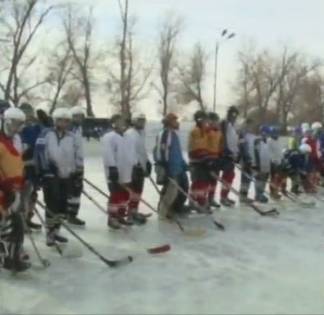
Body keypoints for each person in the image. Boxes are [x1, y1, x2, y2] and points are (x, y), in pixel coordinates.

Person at [35, 108, 76, 246]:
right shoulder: (46, 134)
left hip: (65, 175)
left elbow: (72, 155)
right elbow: (39, 152)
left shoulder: (71, 136)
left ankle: (57, 230)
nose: (64, 123)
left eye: (66, 121)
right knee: (52, 204)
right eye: (61, 120)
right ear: (55, 120)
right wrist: (45, 169)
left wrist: (74, 171)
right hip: (50, 175)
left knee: (62, 205)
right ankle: (50, 233)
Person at [0, 106, 31, 272]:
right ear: (5, 122)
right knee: (7, 225)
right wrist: (5, 187)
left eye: (19, 125)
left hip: (14, 190)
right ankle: (6, 257)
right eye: (13, 124)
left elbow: (16, 166)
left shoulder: (13, 141)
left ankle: (13, 257)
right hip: (3, 192)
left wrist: (23, 179)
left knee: (17, 225)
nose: (16, 128)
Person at [102, 114, 135, 229]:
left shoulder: (127, 137)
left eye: (123, 122)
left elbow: (130, 153)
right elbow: (108, 154)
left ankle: (121, 215)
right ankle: (112, 217)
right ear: (114, 123)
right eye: (119, 122)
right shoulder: (109, 137)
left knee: (125, 195)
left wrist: (134, 164)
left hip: (126, 171)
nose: (122, 124)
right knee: (115, 195)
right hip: (115, 171)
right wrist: (112, 167)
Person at [153, 113, 189, 219]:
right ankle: (162, 213)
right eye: (175, 120)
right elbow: (161, 152)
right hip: (170, 168)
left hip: (177, 168)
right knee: (170, 192)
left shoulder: (173, 134)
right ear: (169, 122)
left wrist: (184, 165)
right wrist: (165, 166)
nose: (177, 122)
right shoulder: (165, 134)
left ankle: (171, 209)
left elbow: (176, 153)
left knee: (177, 191)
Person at [124, 113, 152, 225]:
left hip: (140, 166)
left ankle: (134, 210)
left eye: (143, 121)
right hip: (133, 167)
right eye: (140, 120)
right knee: (133, 190)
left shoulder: (141, 133)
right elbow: (130, 151)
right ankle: (129, 214)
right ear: (134, 121)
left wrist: (147, 162)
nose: (142, 123)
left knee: (138, 191)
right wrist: (137, 164)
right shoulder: (130, 133)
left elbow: (142, 150)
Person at [19, 102, 42, 230]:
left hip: (34, 168)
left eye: (29, 114)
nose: (28, 117)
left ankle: (28, 218)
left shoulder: (36, 128)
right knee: (23, 196)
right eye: (25, 114)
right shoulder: (18, 131)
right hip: (23, 168)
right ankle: (21, 222)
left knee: (32, 195)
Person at [67, 106, 86, 226]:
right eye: (77, 116)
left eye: (81, 116)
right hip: (70, 166)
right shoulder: (69, 129)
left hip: (78, 165)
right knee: (70, 190)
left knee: (77, 191)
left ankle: (72, 214)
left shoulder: (79, 129)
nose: (80, 118)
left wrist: (80, 165)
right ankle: (68, 214)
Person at [188, 110, 210, 210]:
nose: (206, 122)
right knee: (199, 182)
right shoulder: (196, 131)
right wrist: (203, 156)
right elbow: (196, 147)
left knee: (201, 182)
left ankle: (195, 201)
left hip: (202, 161)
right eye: (204, 119)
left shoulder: (203, 130)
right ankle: (199, 202)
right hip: (196, 161)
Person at [220, 106, 240, 207]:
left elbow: (234, 141)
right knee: (227, 176)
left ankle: (225, 195)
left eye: (236, 115)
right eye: (233, 114)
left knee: (230, 176)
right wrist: (226, 150)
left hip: (232, 154)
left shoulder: (233, 126)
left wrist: (236, 153)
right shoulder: (225, 123)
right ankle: (223, 197)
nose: (235, 117)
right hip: (226, 154)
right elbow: (223, 138)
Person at [206, 112, 223, 209]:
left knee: (214, 180)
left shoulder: (219, 132)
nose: (217, 122)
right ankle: (203, 200)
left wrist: (221, 155)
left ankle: (211, 198)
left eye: (217, 121)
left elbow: (220, 145)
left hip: (216, 158)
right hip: (208, 158)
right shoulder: (207, 131)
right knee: (206, 181)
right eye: (215, 121)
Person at [238, 118, 257, 203]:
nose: (251, 127)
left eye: (252, 125)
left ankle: (245, 194)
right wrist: (245, 158)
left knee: (248, 178)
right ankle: (242, 195)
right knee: (245, 178)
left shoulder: (252, 135)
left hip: (251, 160)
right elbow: (242, 147)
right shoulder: (243, 135)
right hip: (246, 160)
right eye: (249, 125)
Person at [253, 125, 271, 203]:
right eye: (264, 132)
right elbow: (256, 152)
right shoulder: (257, 141)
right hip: (259, 164)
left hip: (266, 164)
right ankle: (258, 194)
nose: (265, 134)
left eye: (267, 133)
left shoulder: (268, 141)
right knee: (259, 179)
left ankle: (261, 193)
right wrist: (257, 164)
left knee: (264, 180)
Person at [267, 125, 286, 199]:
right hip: (273, 162)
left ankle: (277, 191)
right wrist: (273, 160)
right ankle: (272, 192)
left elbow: (280, 151)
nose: (276, 134)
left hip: (280, 161)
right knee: (274, 177)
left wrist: (282, 159)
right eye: (274, 133)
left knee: (279, 178)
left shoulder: (279, 140)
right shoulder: (269, 141)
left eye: (277, 133)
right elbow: (269, 152)